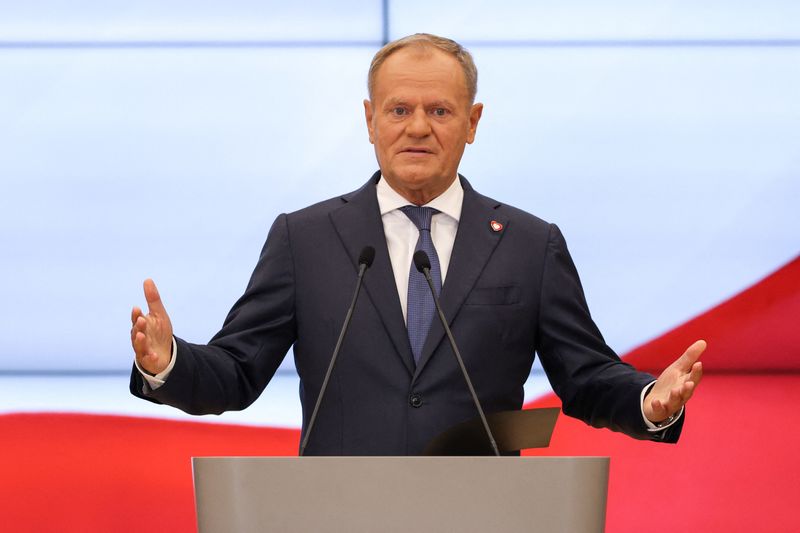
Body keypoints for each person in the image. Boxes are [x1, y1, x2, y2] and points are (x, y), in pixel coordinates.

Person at [130, 33, 704, 455]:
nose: (418, 127)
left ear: (472, 122)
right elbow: (236, 372)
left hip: (484, 514)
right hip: (339, 513)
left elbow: (585, 376)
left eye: (440, 111)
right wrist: (168, 362)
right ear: (370, 119)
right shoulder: (304, 240)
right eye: (399, 110)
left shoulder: (530, 244)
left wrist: (648, 400)